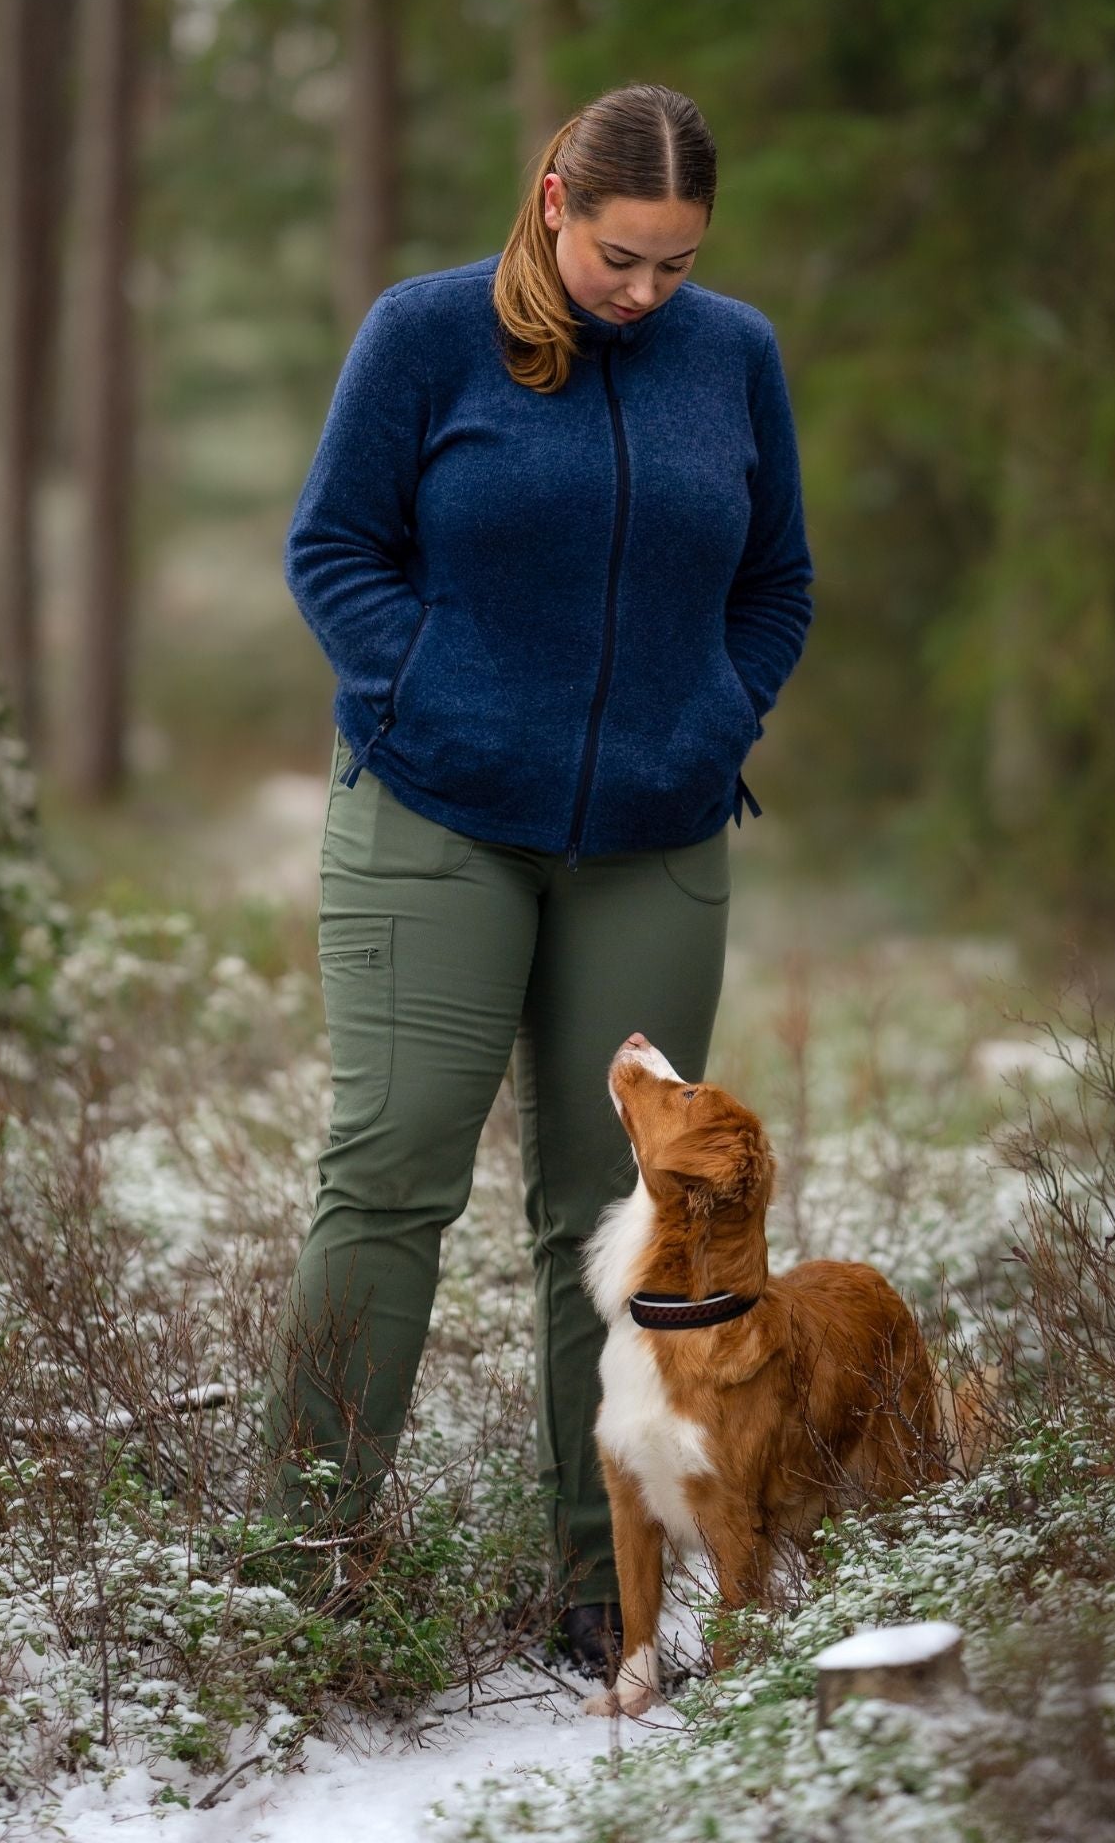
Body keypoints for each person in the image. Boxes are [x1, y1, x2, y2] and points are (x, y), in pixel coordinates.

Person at [266, 82, 813, 1676]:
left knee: (625, 1214)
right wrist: (425, 686)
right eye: (624, 259)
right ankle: (304, 1558)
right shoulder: (427, 334)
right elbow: (332, 548)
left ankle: (606, 1582)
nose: (648, 295)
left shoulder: (739, 360)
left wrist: (717, 715)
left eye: (680, 268)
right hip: (437, 816)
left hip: (653, 834)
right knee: (391, 1171)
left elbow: (776, 579)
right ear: (554, 201)